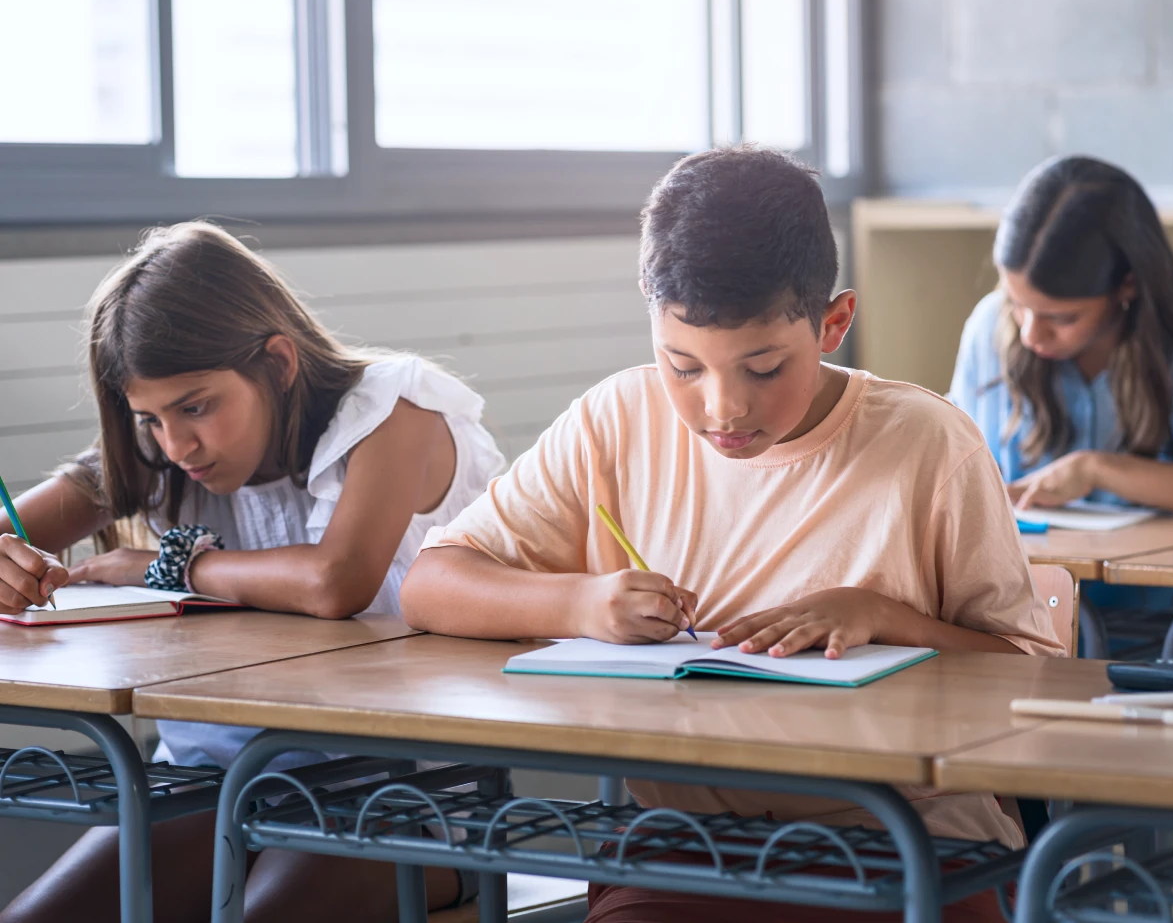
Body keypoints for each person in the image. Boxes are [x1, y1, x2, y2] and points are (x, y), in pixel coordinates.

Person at [402, 145, 1064, 923]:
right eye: (683, 366)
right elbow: (431, 582)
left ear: (834, 322)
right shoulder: (616, 420)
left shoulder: (929, 444)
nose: (722, 408)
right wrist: (578, 603)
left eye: (762, 367)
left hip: (912, 848)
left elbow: (1035, 687)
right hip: (689, 849)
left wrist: (885, 618)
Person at [0, 221, 504, 923]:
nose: (177, 445)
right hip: (215, 782)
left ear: (278, 362)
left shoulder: (396, 409)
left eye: (195, 406)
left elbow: (337, 582)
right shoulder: (163, 449)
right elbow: (16, 528)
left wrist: (171, 566)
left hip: (407, 791)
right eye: (149, 419)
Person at [949, 155, 1173, 635]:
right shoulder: (988, 329)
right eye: (1018, 305)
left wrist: (1100, 469)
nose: (1033, 333)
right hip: (1021, 623)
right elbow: (957, 470)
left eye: (1063, 317)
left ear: (1128, 286)